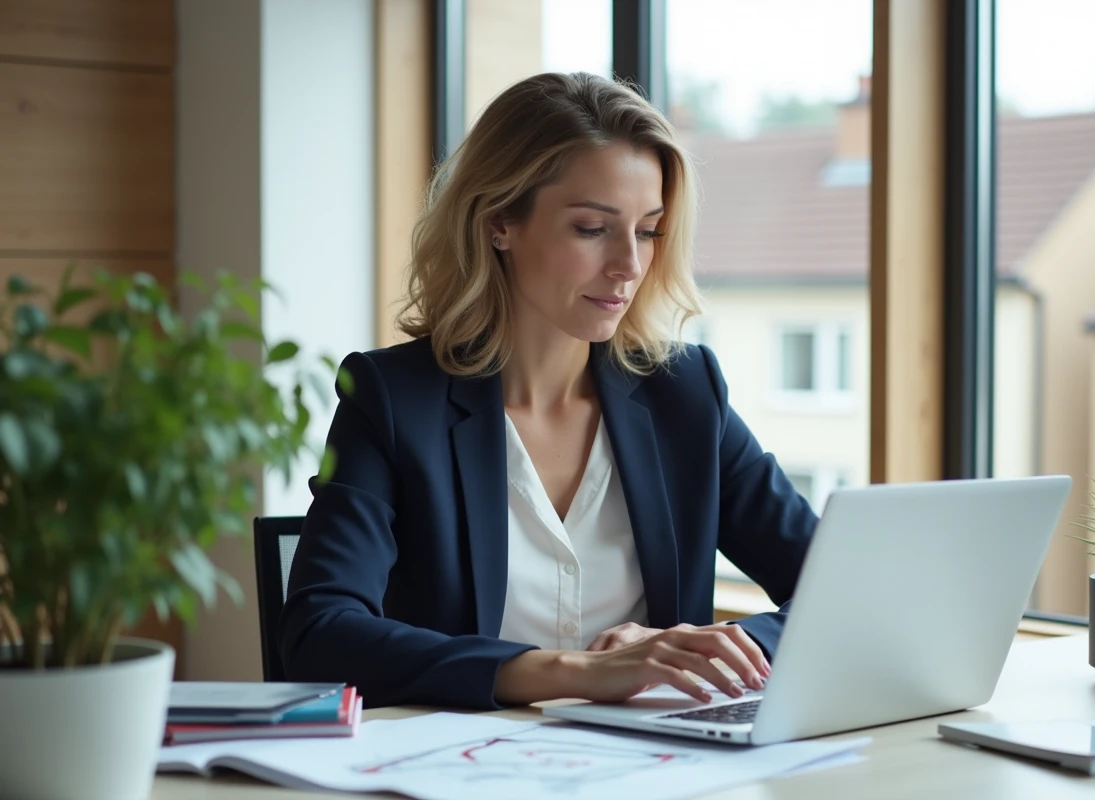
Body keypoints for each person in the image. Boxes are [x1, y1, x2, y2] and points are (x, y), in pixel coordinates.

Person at [279, 72, 819, 711]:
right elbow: (319, 635)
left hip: (665, 770)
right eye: (593, 228)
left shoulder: (686, 395)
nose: (629, 265)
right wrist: (574, 672)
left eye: (648, 230)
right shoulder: (393, 401)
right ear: (499, 222)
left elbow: (845, 594)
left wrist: (709, 646)